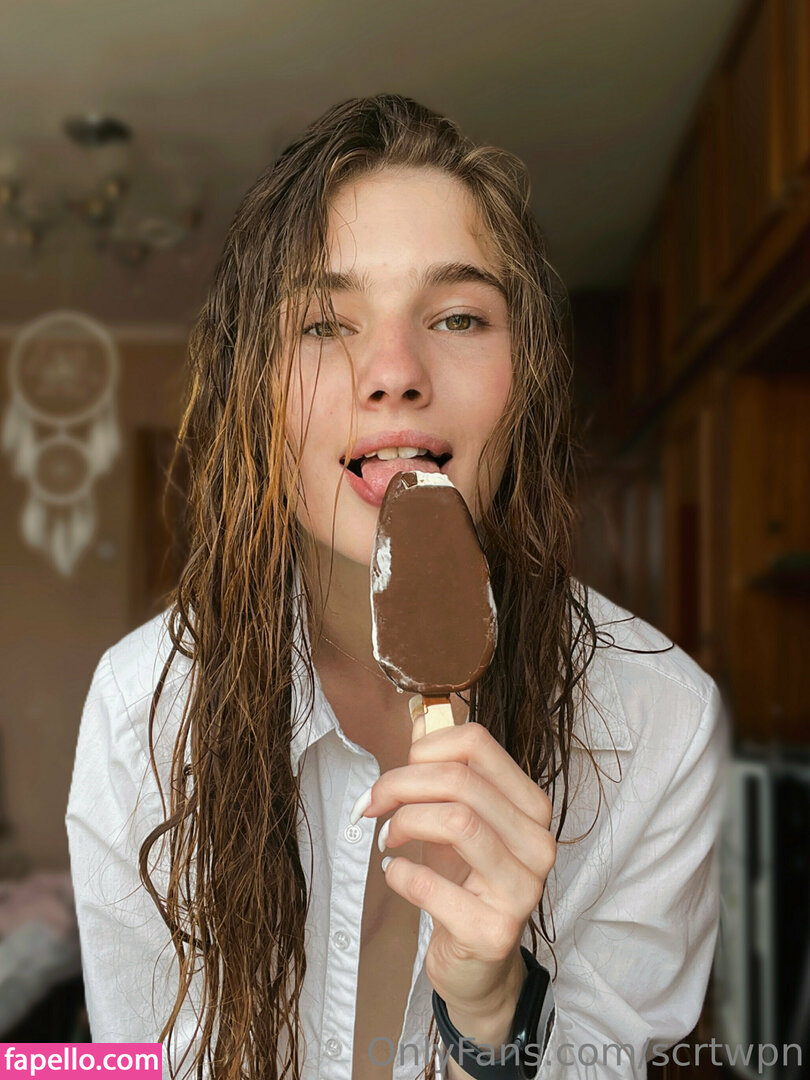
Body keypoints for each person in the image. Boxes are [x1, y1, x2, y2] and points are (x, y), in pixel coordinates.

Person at [66, 94, 728, 1080]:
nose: (394, 374)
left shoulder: (658, 722)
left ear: (527, 380)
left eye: (458, 316)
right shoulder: (141, 712)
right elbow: (139, 1061)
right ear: (254, 392)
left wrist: (495, 1010)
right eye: (323, 323)